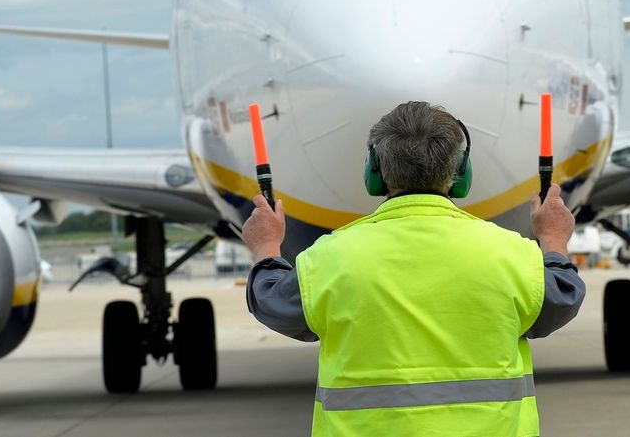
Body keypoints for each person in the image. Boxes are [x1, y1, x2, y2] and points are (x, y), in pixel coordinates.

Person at [243, 101, 585, 436]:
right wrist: (553, 239)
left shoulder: (329, 258)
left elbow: (272, 303)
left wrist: (267, 246)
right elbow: (562, 298)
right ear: (462, 172)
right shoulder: (511, 254)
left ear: (373, 171)